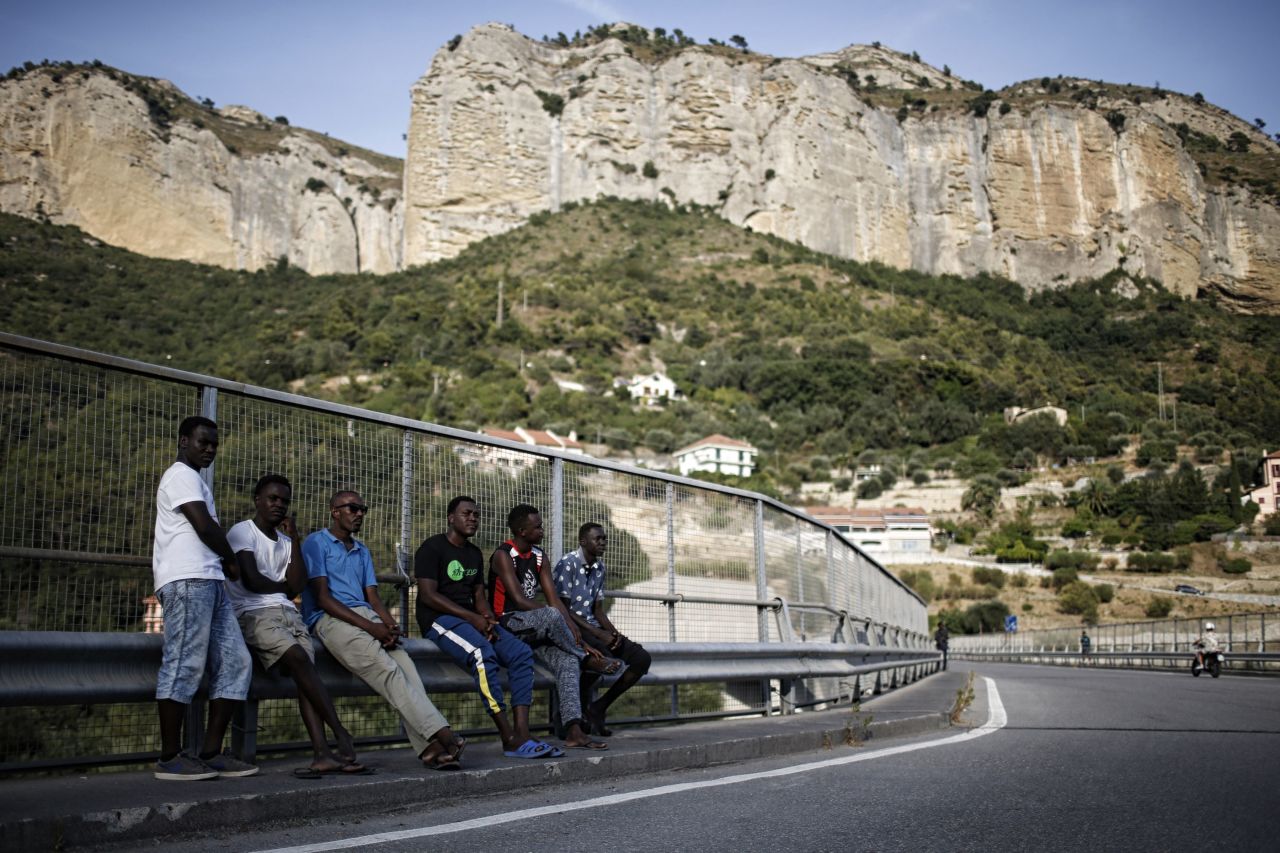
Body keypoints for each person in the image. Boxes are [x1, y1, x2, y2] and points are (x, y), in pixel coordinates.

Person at [302, 490, 464, 770]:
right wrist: (371, 628)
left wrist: (388, 625)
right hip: (331, 619)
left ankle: (428, 750)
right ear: (334, 511)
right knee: (387, 672)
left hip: (367, 618)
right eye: (352, 508)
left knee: (409, 672)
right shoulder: (316, 543)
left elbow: (373, 597)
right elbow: (323, 599)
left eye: (362, 509)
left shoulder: (361, 549)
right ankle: (444, 734)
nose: (359, 514)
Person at [225, 474, 363, 777]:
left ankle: (322, 754)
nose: (278, 505)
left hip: (289, 615)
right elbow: (251, 580)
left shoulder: (287, 542)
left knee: (306, 677)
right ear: (258, 500)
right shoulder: (242, 532)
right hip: (254, 614)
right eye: (273, 499)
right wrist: (282, 586)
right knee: (300, 660)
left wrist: (296, 540)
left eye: (284, 501)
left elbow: (297, 585)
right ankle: (340, 732)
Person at [152, 415, 260, 780]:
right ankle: (170, 757)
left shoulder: (194, 478)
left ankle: (211, 753)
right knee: (183, 663)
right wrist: (231, 558)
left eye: (214, 444)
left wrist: (222, 565)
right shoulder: (180, 474)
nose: (210, 449)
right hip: (186, 580)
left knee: (236, 662)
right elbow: (203, 525)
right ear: (184, 441)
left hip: (209, 582)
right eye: (203, 442)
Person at [415, 496, 563, 758]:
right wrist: (472, 618)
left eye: (476, 514)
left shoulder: (474, 554)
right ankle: (507, 737)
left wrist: (486, 618)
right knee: (483, 655)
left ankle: (522, 734)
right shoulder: (432, 547)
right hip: (440, 620)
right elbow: (428, 595)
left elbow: (480, 597)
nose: (472, 518)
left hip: (471, 618)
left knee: (520, 653)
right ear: (451, 518)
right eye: (466, 513)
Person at [488, 505, 614, 749]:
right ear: (522, 531)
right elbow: (521, 599)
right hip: (509, 623)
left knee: (567, 661)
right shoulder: (503, 555)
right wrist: (581, 645)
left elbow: (554, 599)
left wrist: (578, 636)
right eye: (538, 527)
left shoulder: (539, 556)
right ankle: (586, 658)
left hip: (537, 630)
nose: (542, 530)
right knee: (552, 615)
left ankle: (574, 731)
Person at [552, 522, 652, 737]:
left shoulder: (600, 567)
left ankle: (598, 708)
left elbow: (597, 609)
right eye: (598, 539)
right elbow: (563, 610)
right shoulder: (567, 564)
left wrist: (614, 634)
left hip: (593, 626)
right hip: (572, 627)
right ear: (583, 541)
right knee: (604, 658)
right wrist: (599, 634)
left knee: (642, 658)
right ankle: (570, 716)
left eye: (604, 539)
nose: (603, 543)